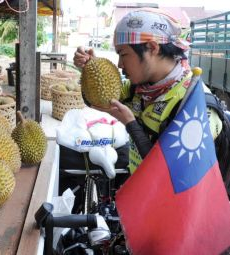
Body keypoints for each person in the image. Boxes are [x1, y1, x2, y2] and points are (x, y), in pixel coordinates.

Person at [74, 8, 230, 186]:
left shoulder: (195, 106)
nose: (119, 64)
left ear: (152, 47)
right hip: (140, 190)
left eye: (123, 54)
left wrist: (131, 124)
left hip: (170, 208)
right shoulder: (137, 88)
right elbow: (97, 101)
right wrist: (89, 70)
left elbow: (174, 180)